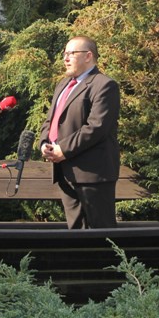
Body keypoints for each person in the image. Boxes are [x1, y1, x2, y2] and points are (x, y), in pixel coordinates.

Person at [39, 36, 120, 229]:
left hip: (93, 174)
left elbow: (97, 127)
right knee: (75, 233)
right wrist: (45, 144)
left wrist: (63, 149)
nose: (65, 58)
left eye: (71, 54)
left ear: (88, 56)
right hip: (65, 172)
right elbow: (51, 121)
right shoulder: (63, 85)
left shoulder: (104, 85)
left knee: (101, 235)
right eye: (64, 54)